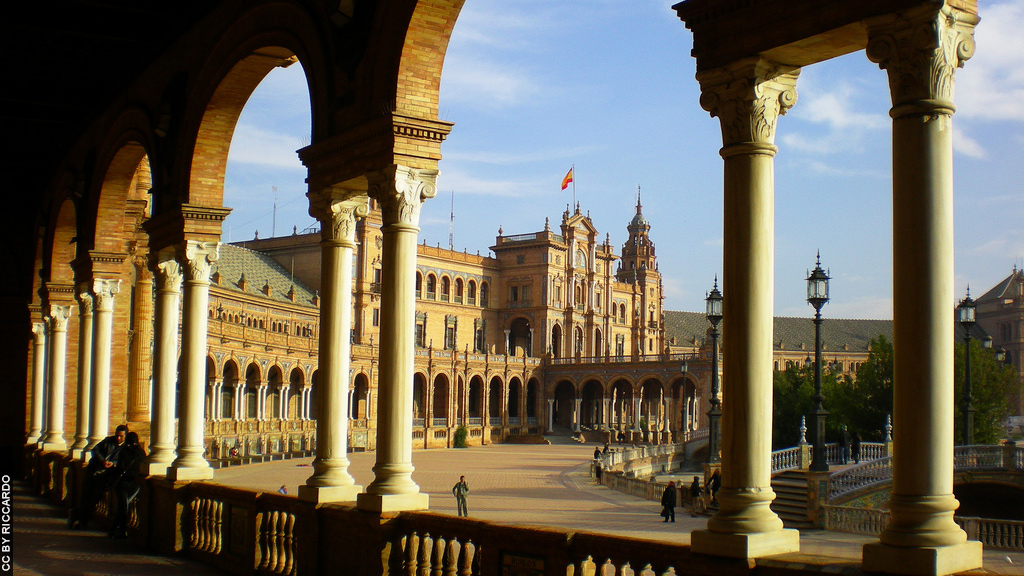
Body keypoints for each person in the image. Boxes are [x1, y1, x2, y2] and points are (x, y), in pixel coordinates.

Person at [69, 424, 128, 530]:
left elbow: (124, 462)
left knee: (93, 499)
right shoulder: (108, 441)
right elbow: (95, 450)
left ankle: (76, 514)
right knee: (86, 497)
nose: (118, 438)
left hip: (104, 476)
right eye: (117, 435)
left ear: (125, 436)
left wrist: (113, 464)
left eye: (121, 436)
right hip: (93, 471)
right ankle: (81, 521)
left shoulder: (125, 448)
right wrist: (103, 461)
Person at [109, 431, 146, 538]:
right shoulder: (141, 452)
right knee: (125, 507)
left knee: (122, 507)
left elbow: (120, 467)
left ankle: (118, 530)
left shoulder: (124, 451)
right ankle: (120, 530)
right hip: (135, 483)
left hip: (123, 482)